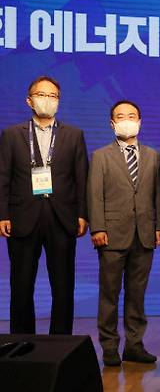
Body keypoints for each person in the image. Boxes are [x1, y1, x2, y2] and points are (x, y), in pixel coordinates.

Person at [0, 76, 88, 335]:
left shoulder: (74, 135)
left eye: (53, 96)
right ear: (29, 100)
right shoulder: (11, 135)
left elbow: (81, 178)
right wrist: (3, 214)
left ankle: (61, 343)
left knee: (63, 286)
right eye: (41, 95)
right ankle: (22, 342)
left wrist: (82, 214)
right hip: (22, 217)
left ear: (58, 102)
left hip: (62, 218)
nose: (47, 100)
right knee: (21, 284)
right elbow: (3, 177)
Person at [87, 100, 160, 366]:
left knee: (137, 294)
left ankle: (134, 345)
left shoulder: (153, 155)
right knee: (109, 295)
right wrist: (98, 227)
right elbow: (94, 195)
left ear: (140, 122)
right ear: (112, 123)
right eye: (120, 117)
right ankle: (109, 346)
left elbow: (158, 195)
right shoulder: (100, 156)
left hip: (144, 234)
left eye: (131, 116)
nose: (127, 121)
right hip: (111, 235)